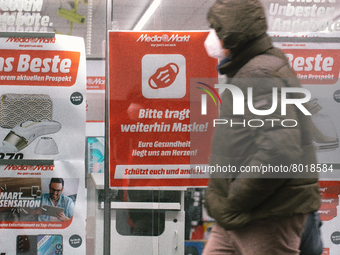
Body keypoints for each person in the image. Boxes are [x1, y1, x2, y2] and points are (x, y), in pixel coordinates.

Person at [202, 0, 322, 254]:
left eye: (216, 29)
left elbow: (279, 151)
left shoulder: (259, 74)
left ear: (233, 34)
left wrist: (235, 200)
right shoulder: (249, 70)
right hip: (236, 217)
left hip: (266, 216)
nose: (211, 37)